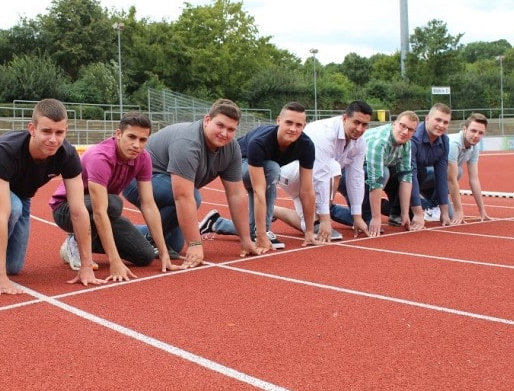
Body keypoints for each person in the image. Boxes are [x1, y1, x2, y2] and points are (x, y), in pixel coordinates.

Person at [0, 98, 104, 295]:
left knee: (12, 266)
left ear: (66, 130)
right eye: (46, 131)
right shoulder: (6, 151)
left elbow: (78, 210)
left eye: (59, 132)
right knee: (11, 208)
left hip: (20, 195)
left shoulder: (68, 155)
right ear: (32, 128)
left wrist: (86, 266)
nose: (53, 139)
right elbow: (1, 214)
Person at [122, 99, 259, 268]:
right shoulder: (188, 143)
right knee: (193, 197)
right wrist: (195, 244)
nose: (224, 133)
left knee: (176, 243)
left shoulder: (231, 149)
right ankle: (152, 239)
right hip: (138, 180)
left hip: (168, 185)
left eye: (231, 129)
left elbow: (236, 194)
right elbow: (183, 196)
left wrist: (245, 239)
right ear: (207, 120)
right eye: (220, 126)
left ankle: (124, 231)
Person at [50, 112, 182, 281]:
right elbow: (99, 212)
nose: (136, 145)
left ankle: (89, 241)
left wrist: (164, 253)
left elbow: (148, 204)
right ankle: (76, 241)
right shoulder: (101, 157)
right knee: (114, 203)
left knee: (145, 256)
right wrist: (115, 261)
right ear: (118, 134)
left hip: (103, 207)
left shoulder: (144, 159)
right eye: (131, 137)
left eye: (142, 140)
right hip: (67, 209)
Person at [199, 102, 318, 248]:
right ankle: (263, 231)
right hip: (236, 165)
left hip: (262, 169)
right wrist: (261, 234)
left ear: (304, 126)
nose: (293, 129)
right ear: (278, 121)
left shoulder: (306, 145)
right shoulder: (260, 141)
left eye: (298, 125)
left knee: (250, 226)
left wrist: (310, 232)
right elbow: (258, 191)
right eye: (289, 123)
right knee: (272, 170)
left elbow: (307, 190)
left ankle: (216, 223)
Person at [273, 100, 374, 242]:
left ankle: (272, 209)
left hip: (309, 177)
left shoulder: (360, 141)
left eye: (364, 125)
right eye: (356, 122)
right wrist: (326, 219)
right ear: (345, 118)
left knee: (307, 225)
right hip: (289, 172)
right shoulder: (325, 133)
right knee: (333, 167)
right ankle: (321, 219)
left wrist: (357, 217)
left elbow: (356, 176)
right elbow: (321, 175)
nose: (359, 129)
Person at [332, 110, 420, 236]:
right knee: (383, 173)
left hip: (364, 173)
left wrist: (404, 213)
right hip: (344, 173)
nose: (405, 132)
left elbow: (406, 178)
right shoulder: (379, 142)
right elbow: (376, 180)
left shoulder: (407, 144)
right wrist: (376, 217)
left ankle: (389, 213)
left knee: (394, 173)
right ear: (394, 124)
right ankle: (330, 210)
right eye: (402, 126)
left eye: (410, 130)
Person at [385, 102, 452, 230]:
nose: (441, 125)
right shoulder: (414, 138)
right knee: (420, 173)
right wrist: (418, 212)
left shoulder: (444, 141)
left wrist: (444, 211)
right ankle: (390, 209)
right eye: (438, 120)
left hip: (410, 178)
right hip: (391, 173)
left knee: (449, 213)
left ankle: (395, 210)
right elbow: (411, 174)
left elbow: (441, 176)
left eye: (445, 122)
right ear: (427, 119)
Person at [447, 113, 491, 224]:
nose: (476, 135)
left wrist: (482, 210)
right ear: (464, 129)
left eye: (480, 133)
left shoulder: (474, 146)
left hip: (440, 178)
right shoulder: (454, 143)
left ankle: (435, 203)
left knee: (458, 171)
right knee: (457, 172)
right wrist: (459, 211)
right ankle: (431, 204)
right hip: (423, 175)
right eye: (473, 131)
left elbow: (474, 179)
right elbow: (451, 179)